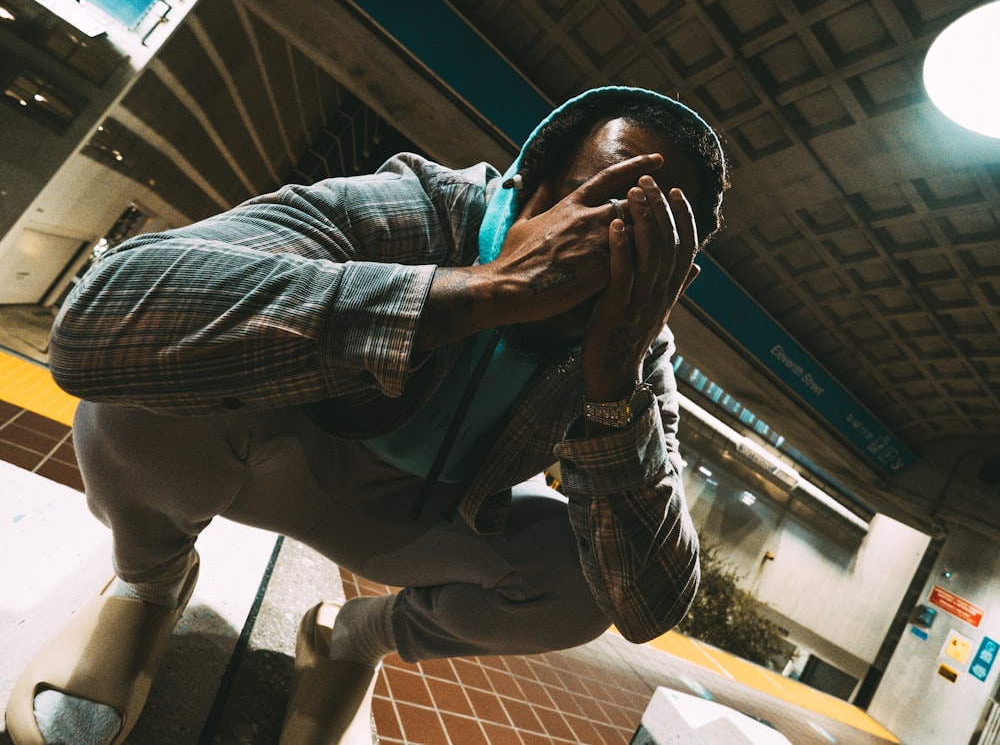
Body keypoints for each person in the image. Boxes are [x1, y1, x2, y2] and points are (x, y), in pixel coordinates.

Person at [5, 85, 728, 745]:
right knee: (142, 382)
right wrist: (483, 289)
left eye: (651, 242)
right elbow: (98, 321)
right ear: (535, 188)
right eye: (592, 203)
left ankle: (357, 637)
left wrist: (611, 393)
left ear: (676, 274)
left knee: (584, 586)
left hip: (405, 524)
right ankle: (149, 583)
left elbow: (648, 604)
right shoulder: (424, 205)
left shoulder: (636, 351)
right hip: (271, 455)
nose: (609, 254)